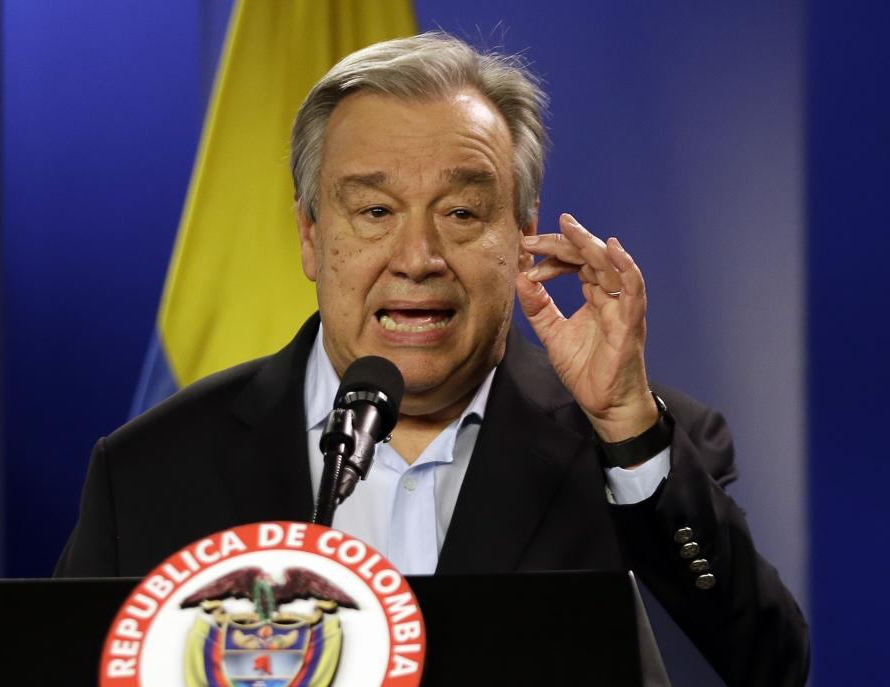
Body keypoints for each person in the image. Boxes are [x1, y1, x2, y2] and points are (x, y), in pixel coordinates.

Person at [56, 32, 809, 684]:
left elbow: (762, 666)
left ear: (522, 235)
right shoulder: (151, 472)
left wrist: (625, 428)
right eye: (376, 211)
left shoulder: (633, 445)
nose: (418, 258)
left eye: (461, 213)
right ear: (311, 237)